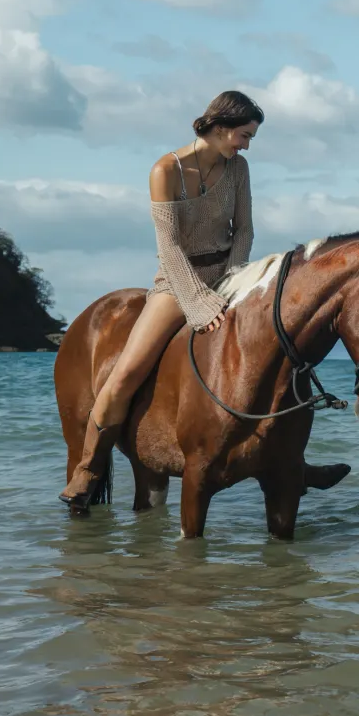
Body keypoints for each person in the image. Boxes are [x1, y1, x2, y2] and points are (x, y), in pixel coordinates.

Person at [60, 89, 264, 508]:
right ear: (221, 127)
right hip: (176, 281)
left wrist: (234, 279)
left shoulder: (239, 169)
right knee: (124, 375)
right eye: (244, 135)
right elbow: (169, 248)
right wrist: (197, 302)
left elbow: (243, 230)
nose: (246, 145)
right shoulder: (164, 170)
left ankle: (286, 461)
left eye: (250, 138)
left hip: (227, 274)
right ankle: (88, 469)